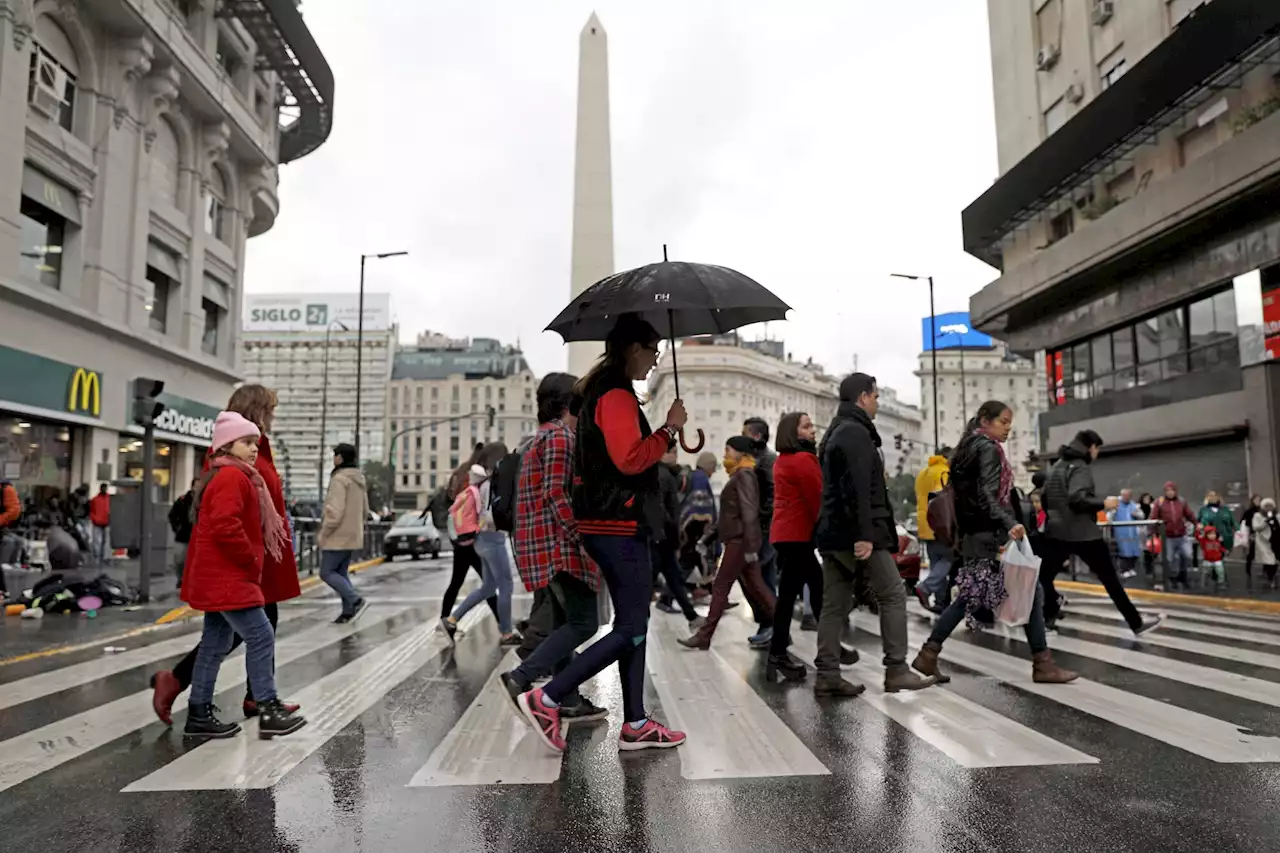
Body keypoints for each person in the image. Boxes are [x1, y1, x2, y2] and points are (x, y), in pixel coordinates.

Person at [517, 314, 687, 752]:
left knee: (636, 624)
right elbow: (630, 460)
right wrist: (667, 428)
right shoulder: (614, 395)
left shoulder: (605, 391)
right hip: (617, 524)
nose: (655, 361)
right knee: (629, 627)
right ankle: (548, 697)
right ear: (634, 349)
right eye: (653, 351)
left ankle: (635, 723)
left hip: (611, 523)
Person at [150, 384, 302, 726]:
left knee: (230, 633)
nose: (272, 420)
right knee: (253, 632)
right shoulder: (235, 462)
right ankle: (259, 700)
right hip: (240, 562)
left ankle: (215, 704)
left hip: (257, 558)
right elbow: (225, 522)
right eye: (269, 411)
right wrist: (250, 556)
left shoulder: (249, 453)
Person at [912, 401, 1077, 685]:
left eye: (1009, 423)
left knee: (1003, 592)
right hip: (988, 536)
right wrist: (1009, 522)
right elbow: (988, 496)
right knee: (1022, 590)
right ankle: (1042, 664)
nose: (1008, 428)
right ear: (985, 421)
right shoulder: (987, 448)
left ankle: (929, 653)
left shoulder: (968, 448)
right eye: (1003, 422)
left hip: (976, 535)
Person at [814, 373, 934, 697]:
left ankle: (827, 673)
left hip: (833, 532)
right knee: (893, 594)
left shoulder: (837, 431)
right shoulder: (854, 433)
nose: (878, 403)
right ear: (864, 396)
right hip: (856, 534)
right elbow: (858, 490)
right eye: (877, 397)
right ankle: (896, 669)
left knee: (834, 604)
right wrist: (865, 535)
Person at [501, 373, 608, 721]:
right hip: (560, 547)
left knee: (566, 621)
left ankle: (569, 698)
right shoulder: (562, 438)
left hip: (542, 548)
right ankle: (521, 678)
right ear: (568, 404)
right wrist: (581, 534)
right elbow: (556, 494)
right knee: (584, 623)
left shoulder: (539, 439)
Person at [1040, 431, 1160, 635]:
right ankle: (1136, 622)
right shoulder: (1080, 468)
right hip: (1084, 533)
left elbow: (1044, 497)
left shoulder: (1057, 466)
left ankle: (1048, 617)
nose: (1097, 453)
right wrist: (1103, 503)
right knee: (1110, 579)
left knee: (1044, 576)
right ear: (1090, 447)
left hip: (1057, 532)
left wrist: (1056, 516)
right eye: (1097, 448)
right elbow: (1077, 498)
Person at [678, 436, 776, 651]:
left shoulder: (745, 475)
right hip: (739, 541)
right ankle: (782, 627)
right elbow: (728, 515)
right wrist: (706, 539)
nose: (725, 456)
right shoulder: (741, 475)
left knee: (721, 587)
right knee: (758, 588)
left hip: (740, 542)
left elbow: (749, 512)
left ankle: (704, 636)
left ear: (741, 453)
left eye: (728, 450)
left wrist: (750, 547)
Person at [765, 411, 824, 681]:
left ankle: (777, 654)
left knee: (788, 595)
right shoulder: (803, 459)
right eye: (806, 426)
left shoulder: (783, 461)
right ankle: (830, 648)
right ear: (792, 432)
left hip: (785, 535)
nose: (813, 430)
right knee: (819, 588)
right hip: (798, 535)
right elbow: (817, 500)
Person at [444, 443, 521, 646]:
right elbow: (491, 515)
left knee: (488, 587)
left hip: (480, 541)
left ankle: (451, 619)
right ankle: (506, 633)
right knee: (506, 586)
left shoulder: (480, 482)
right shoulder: (492, 484)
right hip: (492, 540)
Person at [439, 464, 499, 639]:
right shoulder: (475, 493)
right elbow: (482, 517)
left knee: (456, 582)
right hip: (473, 544)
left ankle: (444, 619)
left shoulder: (462, 493)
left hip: (461, 544)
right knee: (488, 585)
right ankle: (504, 627)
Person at [318, 443, 370, 624]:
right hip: (352, 534)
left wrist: (324, 532)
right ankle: (347, 611)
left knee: (326, 572)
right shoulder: (359, 479)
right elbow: (365, 510)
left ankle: (356, 599)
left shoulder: (339, 479)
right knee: (340, 572)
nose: (333, 459)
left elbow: (334, 511)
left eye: (334, 455)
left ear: (339, 458)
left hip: (337, 535)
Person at [654, 447, 704, 629]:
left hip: (663, 539)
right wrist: (673, 536)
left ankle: (691, 616)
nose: (675, 455)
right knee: (653, 582)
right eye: (672, 451)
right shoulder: (662, 475)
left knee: (674, 578)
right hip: (662, 539)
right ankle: (630, 624)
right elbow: (664, 510)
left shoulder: (665, 474)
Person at [742, 416, 778, 645]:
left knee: (760, 578)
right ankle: (769, 624)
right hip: (758, 529)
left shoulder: (767, 461)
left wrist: (758, 520)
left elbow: (771, 497)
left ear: (756, 435)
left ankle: (772, 625)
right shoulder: (753, 459)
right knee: (759, 578)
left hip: (764, 530)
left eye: (744, 433)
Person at [913, 447, 953, 613]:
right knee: (948, 560)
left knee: (936, 562)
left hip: (925, 525)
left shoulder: (923, 473)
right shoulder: (944, 473)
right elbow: (946, 500)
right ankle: (926, 587)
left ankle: (940, 601)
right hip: (941, 526)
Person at [678, 451, 718, 596]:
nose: (714, 470)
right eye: (714, 467)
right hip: (695, 531)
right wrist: (706, 532)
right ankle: (668, 596)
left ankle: (711, 593)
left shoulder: (695, 476)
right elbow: (700, 510)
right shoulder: (701, 479)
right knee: (692, 561)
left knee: (693, 561)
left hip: (690, 531)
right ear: (709, 466)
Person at [1149, 481, 1197, 590]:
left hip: (1181, 534)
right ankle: (1173, 578)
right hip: (1167, 536)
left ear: (1176, 491)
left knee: (1187, 555)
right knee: (1169, 559)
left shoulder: (1181, 501)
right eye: (1168, 491)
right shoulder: (1159, 502)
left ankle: (1182, 576)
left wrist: (1197, 523)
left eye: (1172, 490)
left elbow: (1189, 514)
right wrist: (1153, 532)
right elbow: (1153, 518)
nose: (1170, 493)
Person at [168, 478, 198, 584]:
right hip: (183, 535)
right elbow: (172, 515)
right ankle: (180, 578)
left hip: (198, 535)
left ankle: (192, 580)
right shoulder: (183, 500)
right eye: (196, 485)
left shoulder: (205, 499)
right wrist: (176, 527)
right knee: (180, 559)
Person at [1111, 488, 1143, 580]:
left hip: (1133, 534)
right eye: (1124, 495)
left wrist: (1136, 515)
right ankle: (1123, 570)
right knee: (1124, 552)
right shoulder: (1116, 504)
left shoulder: (1134, 505)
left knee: (1134, 551)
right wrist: (1113, 512)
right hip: (1121, 533)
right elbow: (1109, 516)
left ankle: (1131, 569)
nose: (1125, 497)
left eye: (1127, 496)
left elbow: (1142, 516)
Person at [1251, 497, 1279, 589]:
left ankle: (1270, 575)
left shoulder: (1277, 515)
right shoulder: (1258, 516)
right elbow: (1256, 527)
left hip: (1276, 541)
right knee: (1270, 560)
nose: (1268, 508)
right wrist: (1265, 522)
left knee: (1275, 560)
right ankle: (1270, 578)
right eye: (1266, 506)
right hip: (1264, 541)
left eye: (1270, 506)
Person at [1197, 524, 1227, 590]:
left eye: (1213, 534)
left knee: (1220, 571)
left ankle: (1220, 583)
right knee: (1205, 572)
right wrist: (1198, 530)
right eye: (1210, 534)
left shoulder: (1217, 541)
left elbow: (1220, 548)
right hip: (1207, 560)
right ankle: (1204, 582)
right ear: (1206, 535)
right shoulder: (1204, 542)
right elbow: (1198, 537)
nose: (1212, 536)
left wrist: (1225, 551)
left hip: (1217, 560)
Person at [0, 477, 21, 567]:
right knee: (9, 542)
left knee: (18, 542)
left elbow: (13, 511)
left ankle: (9, 567)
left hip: (3, 526)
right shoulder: (6, 488)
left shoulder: (6, 488)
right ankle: (4, 568)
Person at [1242, 494, 1263, 584]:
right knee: (1252, 552)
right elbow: (1244, 521)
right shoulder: (1250, 511)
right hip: (1253, 533)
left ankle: (1265, 571)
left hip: (1262, 534)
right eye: (1256, 500)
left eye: (1259, 500)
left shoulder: (1263, 510)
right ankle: (1248, 569)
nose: (1258, 501)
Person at [88, 484, 111, 565]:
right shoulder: (97, 500)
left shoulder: (97, 499)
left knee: (103, 541)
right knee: (101, 541)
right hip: (100, 522)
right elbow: (91, 511)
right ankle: (100, 557)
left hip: (103, 522)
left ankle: (102, 557)